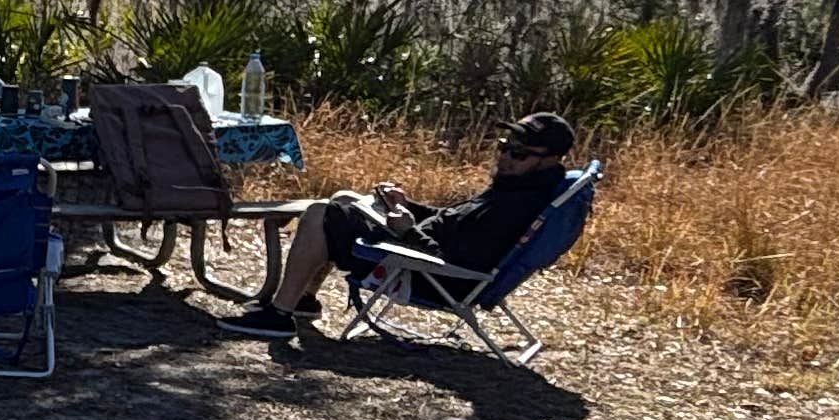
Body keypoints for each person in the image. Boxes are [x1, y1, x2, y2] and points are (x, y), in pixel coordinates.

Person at [222, 110, 577, 339]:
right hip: (421, 253)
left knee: (320, 213)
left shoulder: (516, 205)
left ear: (548, 161)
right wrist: (407, 207)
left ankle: (280, 315)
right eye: (504, 146)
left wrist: (407, 229)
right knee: (345, 198)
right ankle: (305, 300)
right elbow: (453, 224)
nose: (505, 157)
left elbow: (458, 261)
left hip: (424, 271)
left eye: (518, 153)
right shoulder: (517, 187)